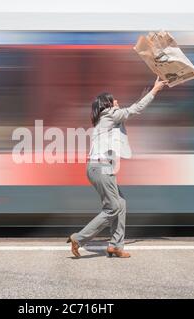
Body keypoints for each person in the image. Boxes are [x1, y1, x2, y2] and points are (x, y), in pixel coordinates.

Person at [67, 76, 167, 258]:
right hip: (101, 167)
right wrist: (155, 91)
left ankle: (115, 245)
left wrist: (148, 91)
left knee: (120, 203)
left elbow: (132, 108)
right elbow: (134, 110)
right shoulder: (110, 115)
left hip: (97, 168)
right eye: (114, 100)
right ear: (107, 104)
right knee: (112, 208)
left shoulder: (104, 119)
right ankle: (79, 238)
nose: (117, 102)